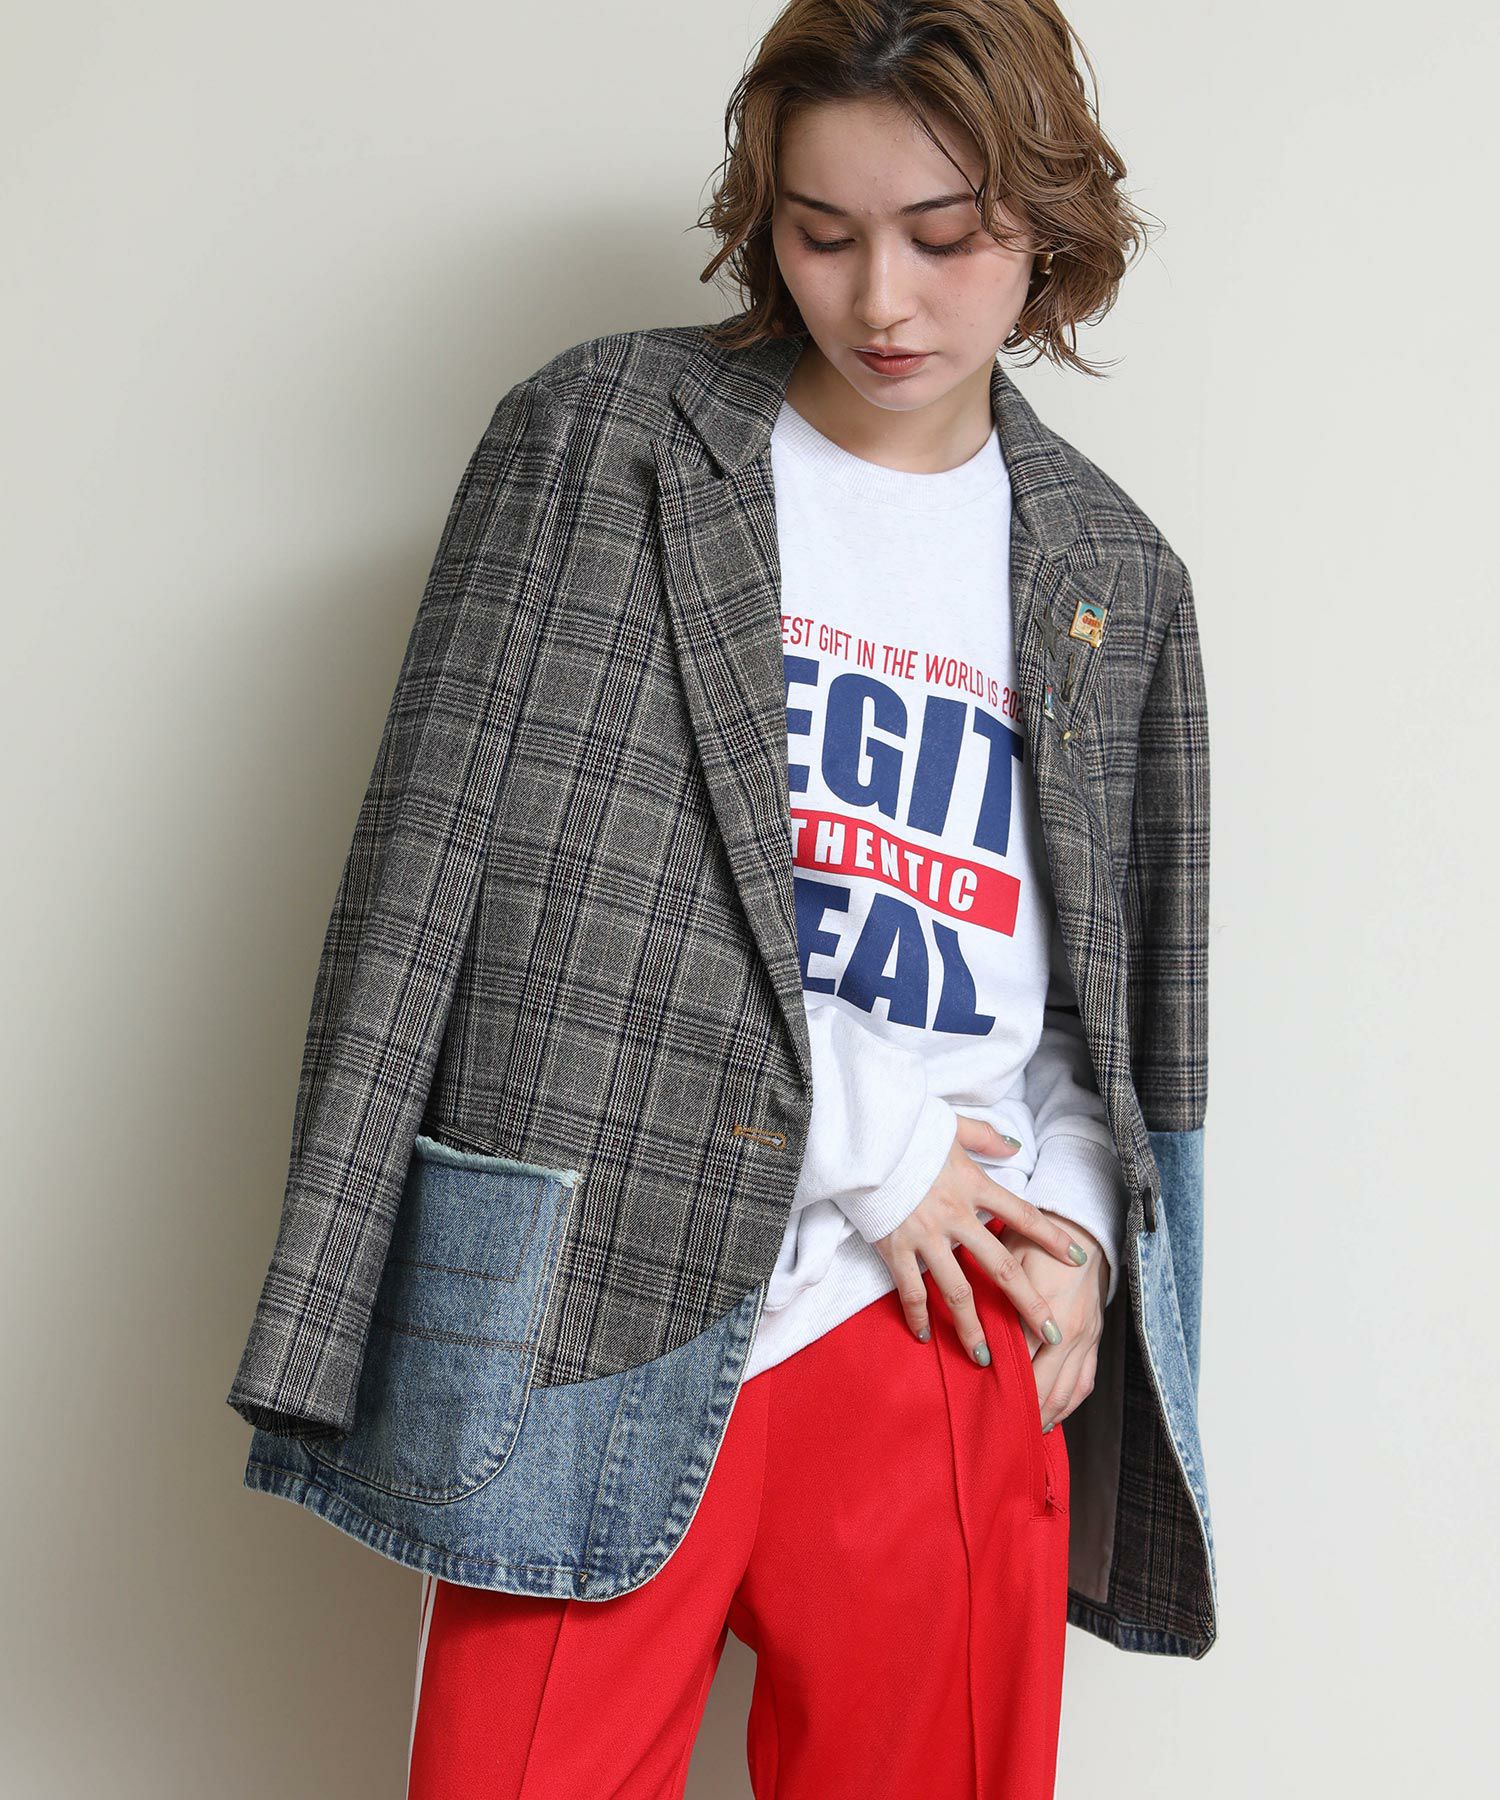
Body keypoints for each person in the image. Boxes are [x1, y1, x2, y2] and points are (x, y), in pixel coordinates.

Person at [226, 3, 1217, 1795]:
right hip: (602, 1284)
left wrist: (1075, 1227)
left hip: (947, 1314)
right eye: (823, 234)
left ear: (1049, 224)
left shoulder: (1111, 567)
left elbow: (1104, 999)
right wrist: (868, 1130)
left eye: (945, 237)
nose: (881, 300)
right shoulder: (601, 443)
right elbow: (498, 887)